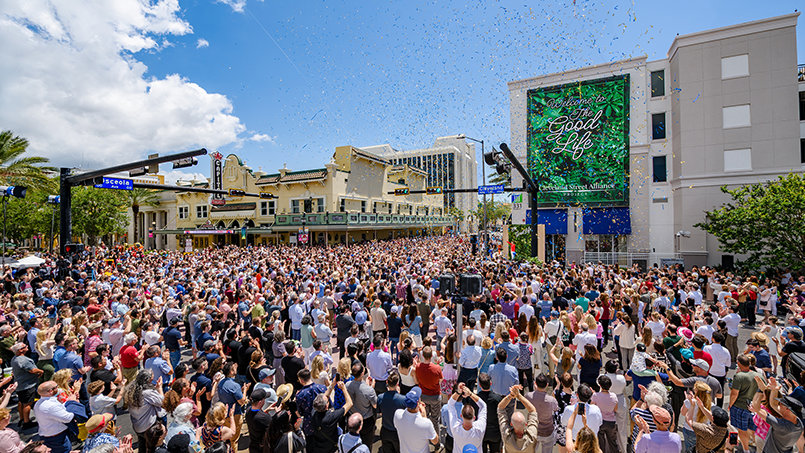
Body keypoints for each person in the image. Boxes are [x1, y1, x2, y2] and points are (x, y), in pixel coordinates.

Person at [124, 370, 166, 453]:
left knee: (142, 445)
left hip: (138, 426)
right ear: (148, 380)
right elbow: (162, 401)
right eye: (151, 380)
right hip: (148, 427)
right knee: (152, 447)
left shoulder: (131, 390)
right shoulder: (147, 393)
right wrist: (159, 388)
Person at [308, 380, 353, 453]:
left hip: (318, 446)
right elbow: (349, 403)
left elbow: (325, 397)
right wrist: (343, 388)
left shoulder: (314, 412)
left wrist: (332, 385)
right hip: (330, 447)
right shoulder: (331, 416)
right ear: (327, 405)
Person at [393, 387, 440, 453]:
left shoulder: (397, 414)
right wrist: (424, 417)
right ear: (418, 403)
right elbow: (435, 440)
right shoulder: (426, 423)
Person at [33, 381, 75, 453]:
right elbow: (67, 418)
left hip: (49, 436)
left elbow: (57, 410)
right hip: (57, 438)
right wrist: (73, 403)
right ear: (50, 391)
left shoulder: (39, 403)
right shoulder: (51, 405)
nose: (58, 388)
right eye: (56, 387)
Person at [447, 382, 487, 453]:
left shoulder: (455, 428)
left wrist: (458, 392)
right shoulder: (480, 428)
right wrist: (470, 394)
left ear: (461, 416)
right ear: (474, 417)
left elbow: (450, 404)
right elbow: (483, 405)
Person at [10, 342, 42, 429]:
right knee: (27, 404)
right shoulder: (23, 360)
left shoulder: (14, 359)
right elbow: (32, 370)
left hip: (20, 384)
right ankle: (27, 422)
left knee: (21, 402)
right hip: (27, 385)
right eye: (25, 346)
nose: (27, 346)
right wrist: (40, 371)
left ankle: (22, 418)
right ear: (20, 350)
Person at [497, 385, 538, 452]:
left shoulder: (507, 437)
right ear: (526, 424)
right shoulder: (531, 437)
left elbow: (500, 408)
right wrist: (519, 395)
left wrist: (511, 395)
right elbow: (532, 410)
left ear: (511, 424)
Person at [346, 362, 378, 447]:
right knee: (367, 444)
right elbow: (375, 405)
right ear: (362, 373)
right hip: (366, 420)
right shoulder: (369, 390)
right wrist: (371, 387)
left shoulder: (347, 385)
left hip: (352, 417)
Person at [524, 373, 557, 453]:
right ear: (547, 385)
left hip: (534, 430)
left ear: (535, 383)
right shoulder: (551, 400)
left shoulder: (528, 396)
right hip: (548, 431)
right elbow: (556, 409)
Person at [377, 372, 407, 453]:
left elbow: (379, 413)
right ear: (397, 384)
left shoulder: (380, 397)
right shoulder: (403, 399)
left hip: (385, 430)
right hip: (398, 433)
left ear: (387, 382)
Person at [414, 346, 442, 431]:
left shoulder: (418, 367)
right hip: (435, 396)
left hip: (423, 396)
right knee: (435, 419)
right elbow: (440, 380)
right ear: (431, 356)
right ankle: (436, 440)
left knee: (423, 418)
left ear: (422, 356)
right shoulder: (437, 368)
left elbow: (416, 381)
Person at [591, 375, 619, 453]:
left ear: (600, 385)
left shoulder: (595, 396)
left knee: (600, 443)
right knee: (613, 442)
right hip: (611, 422)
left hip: (600, 422)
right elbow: (615, 409)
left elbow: (592, 407)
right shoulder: (614, 396)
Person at [477, 372, 503, 453]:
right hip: (495, 432)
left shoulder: (476, 399)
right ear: (491, 383)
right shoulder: (498, 398)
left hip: (481, 432)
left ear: (480, 385)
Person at [244, 389, 273, 453]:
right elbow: (274, 428)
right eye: (264, 399)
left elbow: (257, 416)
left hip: (253, 446)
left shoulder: (248, 411)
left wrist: (266, 411)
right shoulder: (265, 418)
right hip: (263, 448)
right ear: (260, 402)